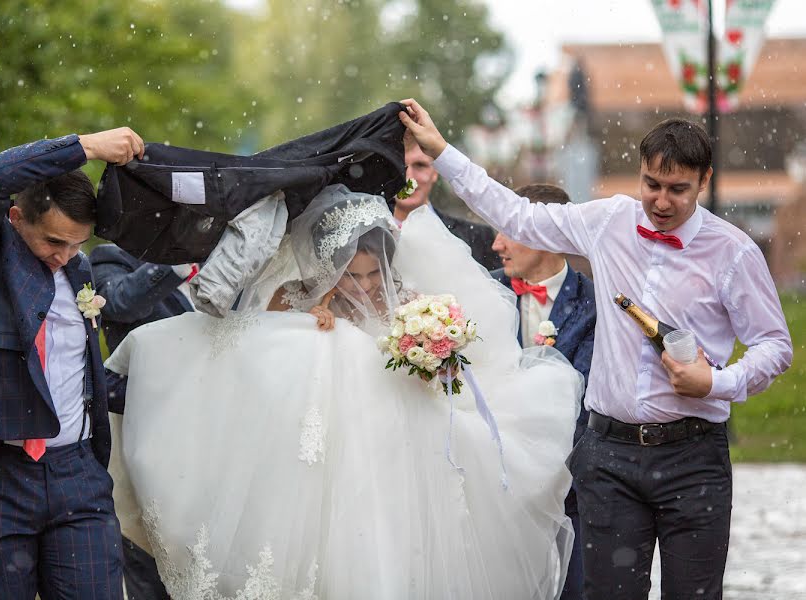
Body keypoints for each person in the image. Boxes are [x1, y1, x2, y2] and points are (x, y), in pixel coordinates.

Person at [105, 184, 584, 598]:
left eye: (375, 275)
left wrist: (430, 360)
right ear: (329, 269)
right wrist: (302, 327)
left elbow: (450, 384)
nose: (366, 286)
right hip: (325, 457)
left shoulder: (414, 304)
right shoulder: (293, 297)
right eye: (353, 276)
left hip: (403, 451)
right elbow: (259, 361)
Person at [399, 98, 793, 598]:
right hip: (609, 457)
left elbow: (774, 344)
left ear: (704, 180)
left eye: (678, 189)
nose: (662, 201)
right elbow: (517, 214)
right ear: (641, 174)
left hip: (693, 459)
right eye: (652, 184)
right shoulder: (609, 220)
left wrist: (718, 382)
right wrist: (442, 151)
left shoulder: (733, 251)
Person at [0, 127, 145, 599]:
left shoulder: (78, 270)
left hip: (77, 478)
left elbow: (70, 377)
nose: (63, 257)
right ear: (14, 217)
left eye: (75, 245)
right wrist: (85, 147)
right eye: (53, 242)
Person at [489, 183, 596, 600]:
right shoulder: (483, 293)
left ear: (549, 235)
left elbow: (585, 401)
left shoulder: (595, 304)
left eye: (509, 230)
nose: (496, 243)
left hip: (572, 487)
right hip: (495, 492)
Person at [91, 245, 201, 600]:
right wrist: (178, 263)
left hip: (216, 445)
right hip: (148, 444)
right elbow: (121, 303)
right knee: (148, 560)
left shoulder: (234, 252)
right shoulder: (110, 259)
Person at [397, 142, 500, 270]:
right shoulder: (368, 235)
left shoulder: (478, 237)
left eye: (420, 165)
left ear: (435, 172)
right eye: (399, 165)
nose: (409, 178)